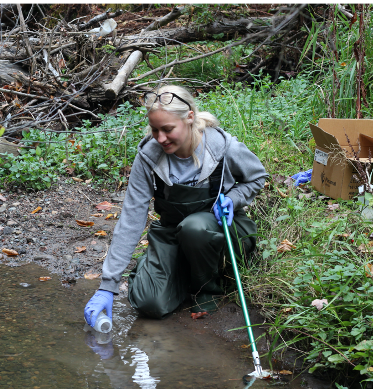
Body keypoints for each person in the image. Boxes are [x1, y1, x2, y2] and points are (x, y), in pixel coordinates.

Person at [84, 85, 268, 325]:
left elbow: (257, 177)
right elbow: (131, 217)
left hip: (220, 230)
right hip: (173, 234)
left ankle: (208, 288)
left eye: (168, 129)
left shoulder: (224, 147)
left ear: (190, 117)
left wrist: (233, 198)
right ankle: (176, 273)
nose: (160, 138)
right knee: (148, 303)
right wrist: (107, 286)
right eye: (155, 130)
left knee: (195, 227)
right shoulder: (149, 156)